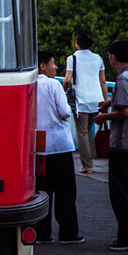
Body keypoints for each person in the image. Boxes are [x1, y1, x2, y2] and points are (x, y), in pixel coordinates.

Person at [93, 39, 128, 251]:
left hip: (123, 143)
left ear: (113, 57)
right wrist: (110, 102)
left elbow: (126, 112)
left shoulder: (122, 80)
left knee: (120, 193)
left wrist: (104, 116)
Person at [35, 50, 85, 244]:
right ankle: (68, 233)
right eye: (53, 63)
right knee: (65, 192)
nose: (55, 67)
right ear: (43, 66)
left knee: (42, 191)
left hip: (39, 146)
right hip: (58, 145)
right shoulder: (53, 85)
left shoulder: (29, 85)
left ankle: (42, 233)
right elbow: (64, 112)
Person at [63, 29, 108, 174]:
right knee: (89, 129)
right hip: (96, 99)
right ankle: (92, 158)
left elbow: (68, 80)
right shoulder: (98, 58)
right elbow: (103, 81)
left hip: (81, 100)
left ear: (77, 43)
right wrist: (105, 100)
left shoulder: (72, 59)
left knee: (82, 131)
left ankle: (87, 165)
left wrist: (62, 90)